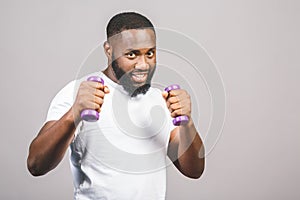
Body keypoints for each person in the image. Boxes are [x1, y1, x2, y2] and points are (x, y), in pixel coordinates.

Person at [27, 12, 205, 200]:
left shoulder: (161, 101)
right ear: (109, 50)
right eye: (131, 54)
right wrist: (74, 113)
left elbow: (194, 170)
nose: (143, 65)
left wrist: (187, 122)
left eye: (150, 53)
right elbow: (36, 165)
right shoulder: (79, 93)